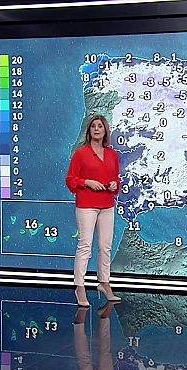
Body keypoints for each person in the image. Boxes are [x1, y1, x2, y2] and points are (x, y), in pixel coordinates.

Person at [66, 115, 121, 307]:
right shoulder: (81, 153)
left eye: (100, 126)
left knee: (105, 247)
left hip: (107, 205)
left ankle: (104, 283)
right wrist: (86, 182)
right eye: (93, 126)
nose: (96, 129)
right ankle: (79, 286)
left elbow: (116, 179)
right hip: (87, 205)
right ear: (89, 131)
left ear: (105, 130)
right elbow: (70, 180)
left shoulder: (112, 154)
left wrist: (115, 184)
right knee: (85, 246)